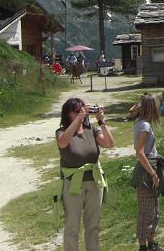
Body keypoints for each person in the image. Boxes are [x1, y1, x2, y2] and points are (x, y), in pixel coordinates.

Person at [56, 97, 115, 251]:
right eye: (77, 112)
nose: (81, 114)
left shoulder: (92, 130)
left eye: (83, 111)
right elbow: (62, 143)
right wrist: (78, 120)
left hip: (94, 182)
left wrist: (102, 122)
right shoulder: (62, 132)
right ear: (67, 114)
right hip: (73, 184)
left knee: (93, 225)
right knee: (72, 226)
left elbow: (109, 143)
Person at [132, 94, 164, 251]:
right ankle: (143, 247)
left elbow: (131, 111)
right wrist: (153, 174)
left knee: (154, 209)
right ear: (152, 108)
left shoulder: (140, 122)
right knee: (146, 211)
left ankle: (152, 243)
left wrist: (139, 104)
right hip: (146, 171)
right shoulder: (144, 126)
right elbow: (139, 152)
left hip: (150, 167)